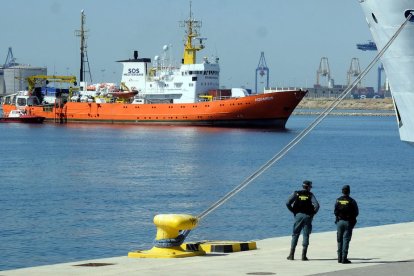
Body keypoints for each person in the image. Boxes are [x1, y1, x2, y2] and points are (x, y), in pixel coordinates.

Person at [286, 180, 320, 261]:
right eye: (310, 187)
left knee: (295, 234)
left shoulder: (296, 193)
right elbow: (317, 205)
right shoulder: (310, 195)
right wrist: (313, 213)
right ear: (308, 187)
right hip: (307, 216)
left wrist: (293, 211)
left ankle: (291, 255)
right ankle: (303, 256)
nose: (310, 189)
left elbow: (287, 203)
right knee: (306, 235)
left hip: (298, 216)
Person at [334, 185, 359, 264]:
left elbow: (335, 211)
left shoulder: (338, 200)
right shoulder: (352, 201)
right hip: (348, 222)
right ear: (349, 192)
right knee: (346, 240)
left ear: (342, 191)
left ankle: (339, 258)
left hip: (339, 222)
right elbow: (356, 212)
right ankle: (344, 258)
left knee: (339, 240)